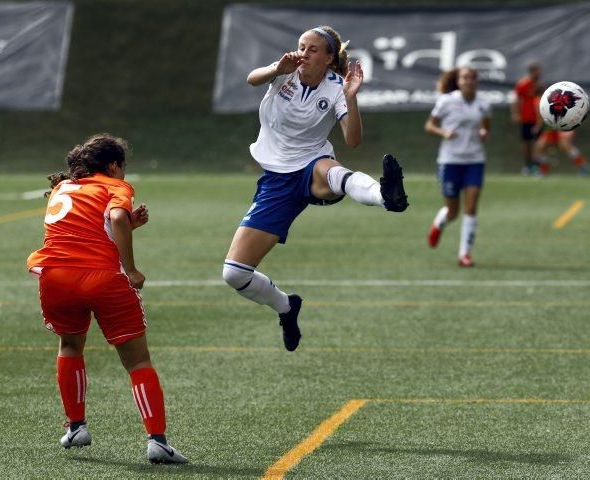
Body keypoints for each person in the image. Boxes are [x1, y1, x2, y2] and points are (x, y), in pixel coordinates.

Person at [223, 26, 408, 351]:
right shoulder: (284, 72)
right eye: (301, 46)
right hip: (276, 181)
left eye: (312, 49)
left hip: (312, 165)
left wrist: (351, 98)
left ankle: (386, 196)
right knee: (234, 274)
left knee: (333, 170)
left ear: (328, 58)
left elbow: (352, 140)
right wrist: (274, 69)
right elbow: (253, 78)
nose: (303, 53)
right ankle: (286, 306)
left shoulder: (337, 87)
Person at [26, 134, 188, 464]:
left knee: (70, 346)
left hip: (54, 277)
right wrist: (130, 268)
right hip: (101, 279)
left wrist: (131, 226)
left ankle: (76, 426)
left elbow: (84, 231)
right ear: (114, 165)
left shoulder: (63, 187)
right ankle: (157, 440)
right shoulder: (115, 187)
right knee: (138, 361)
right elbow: (114, 219)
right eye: (123, 167)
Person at [424, 67, 491, 267]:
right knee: (453, 211)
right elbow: (429, 125)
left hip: (475, 160)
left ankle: (464, 254)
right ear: (458, 81)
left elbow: (486, 126)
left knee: (471, 209)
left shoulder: (484, 104)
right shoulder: (446, 101)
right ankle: (439, 224)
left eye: (472, 78)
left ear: (477, 81)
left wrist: (484, 132)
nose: (469, 81)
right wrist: (443, 132)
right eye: (465, 78)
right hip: (450, 161)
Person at [511, 61, 542, 175]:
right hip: (526, 118)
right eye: (536, 71)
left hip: (538, 118)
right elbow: (515, 100)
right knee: (527, 143)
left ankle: (537, 166)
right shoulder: (523, 84)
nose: (539, 73)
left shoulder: (539, 85)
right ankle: (527, 165)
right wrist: (515, 114)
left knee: (539, 144)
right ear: (532, 71)